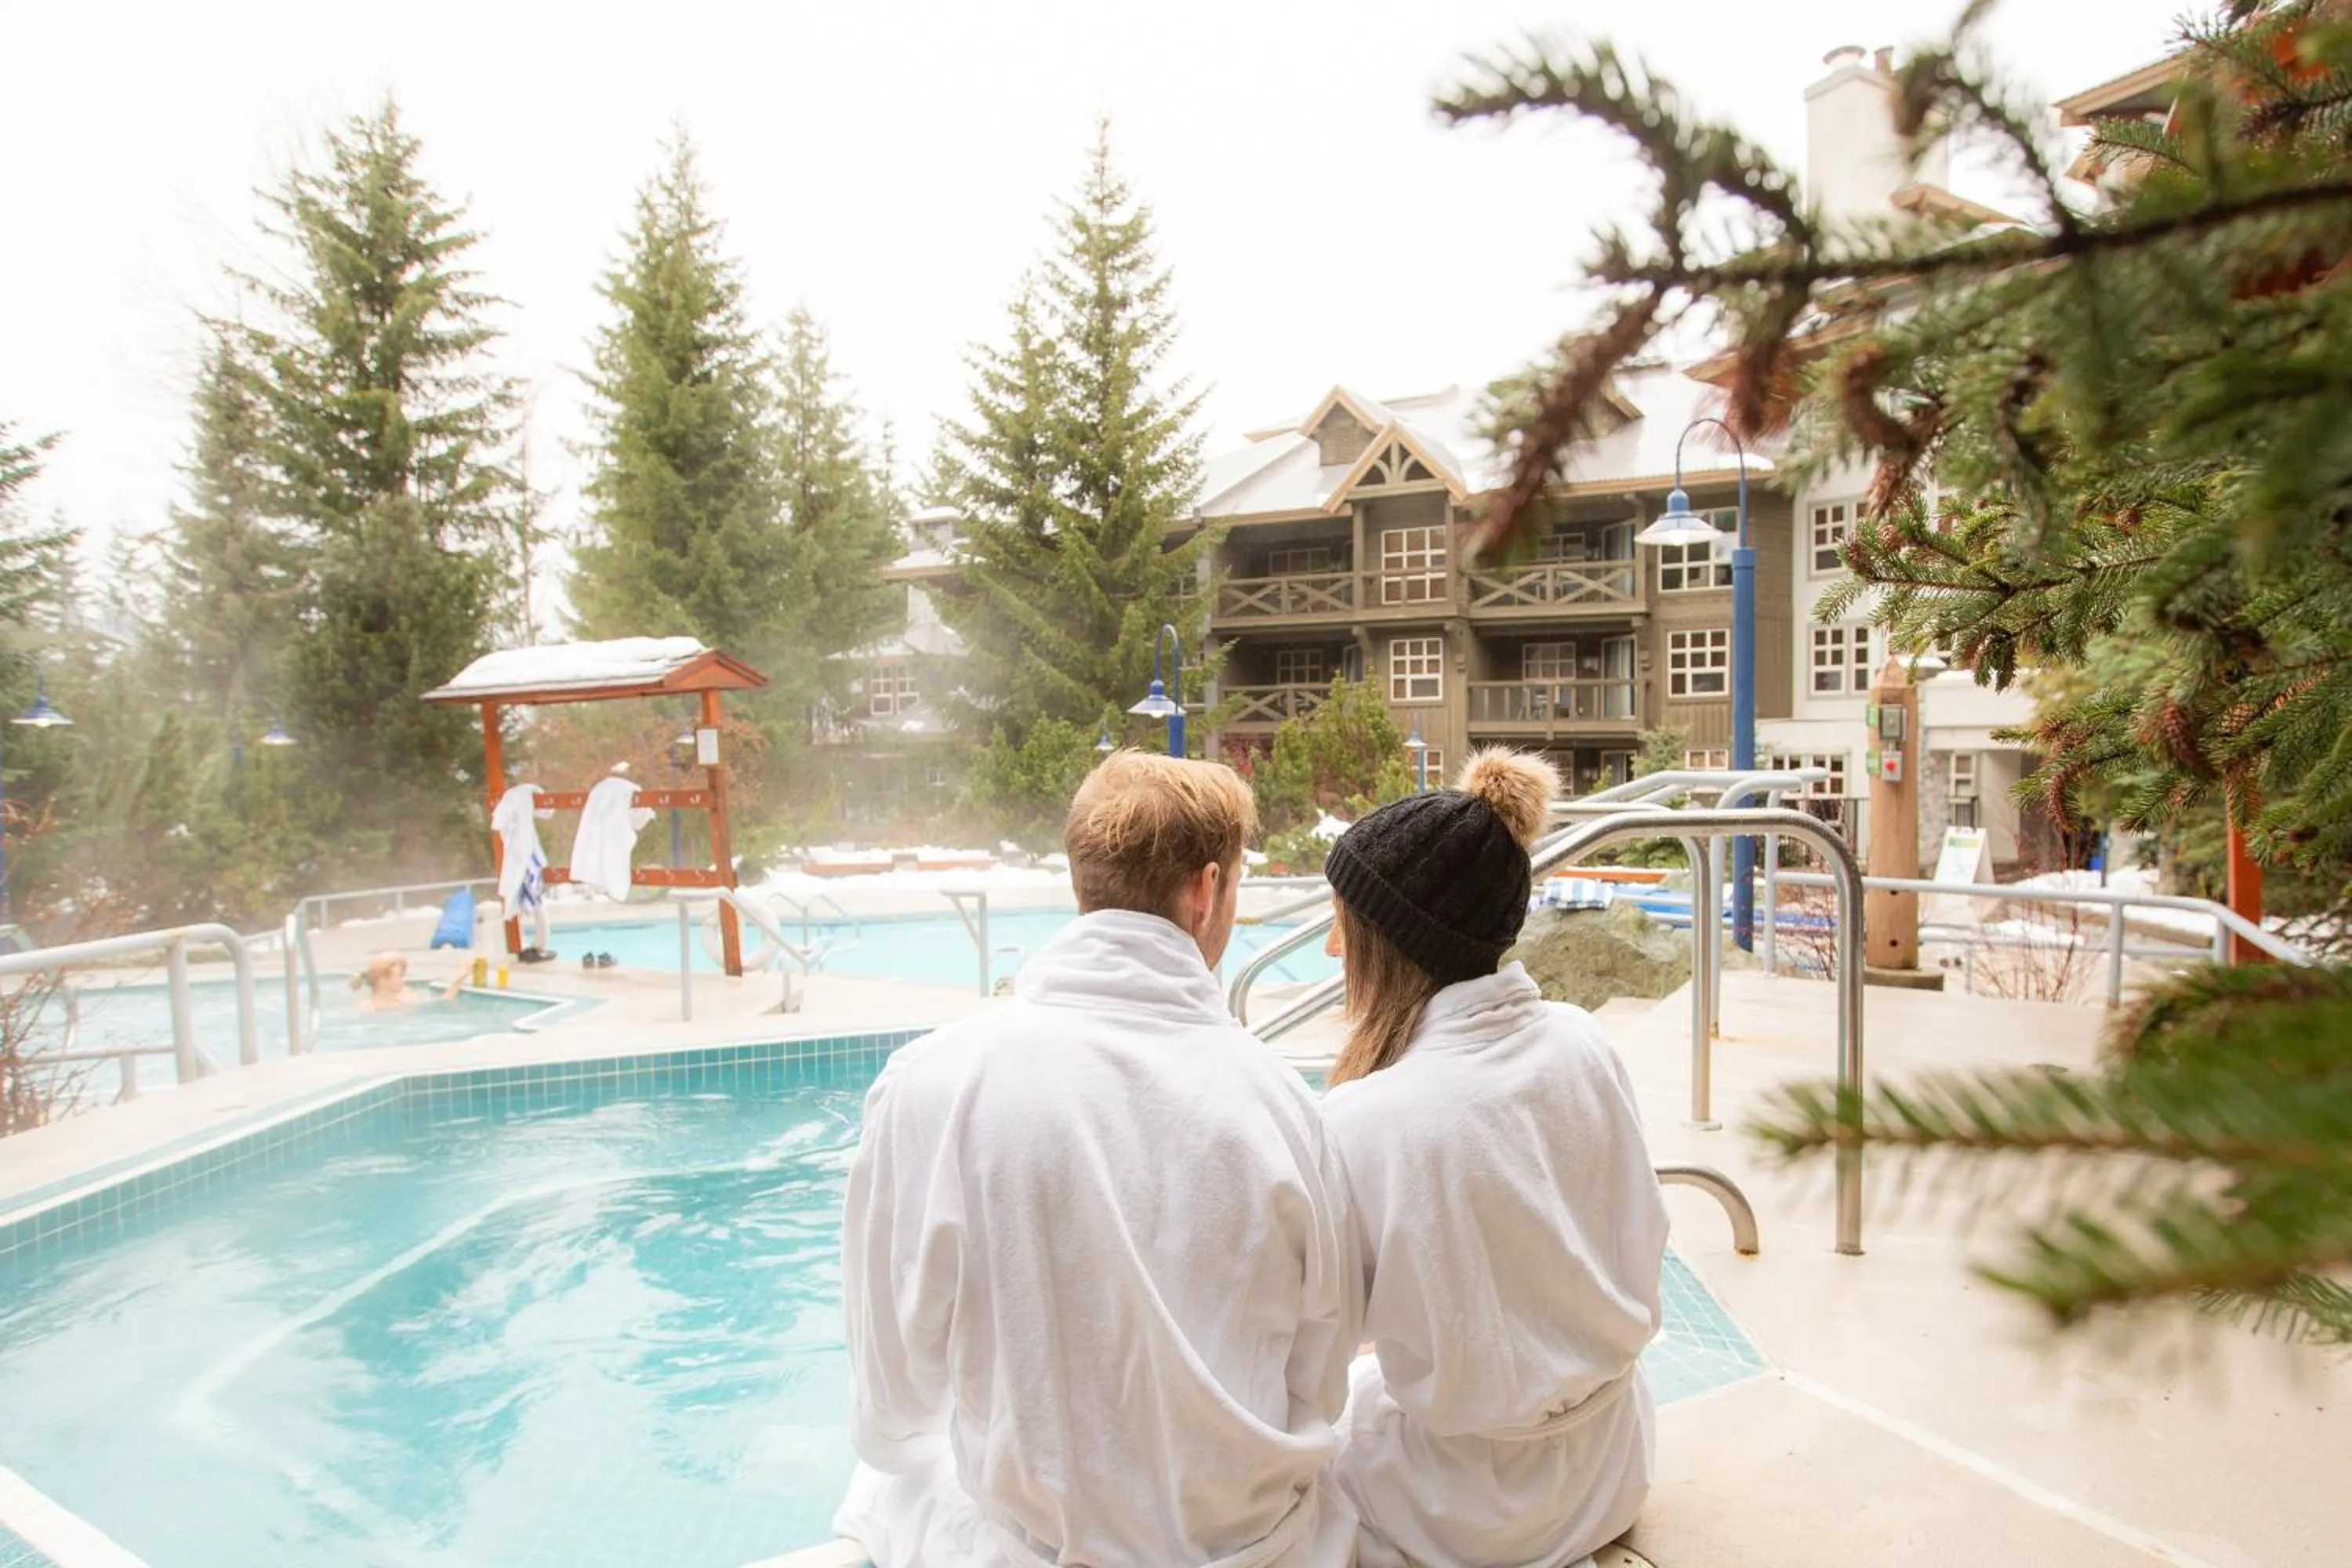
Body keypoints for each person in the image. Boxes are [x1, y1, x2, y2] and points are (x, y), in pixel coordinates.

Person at [836, 749, 1359, 1568]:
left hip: (1038, 1550)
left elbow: (896, 1403)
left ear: (1082, 880)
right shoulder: (1282, 1101)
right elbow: (1319, 1375)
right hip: (1255, 1547)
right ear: (1206, 890)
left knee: (882, 1481)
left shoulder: (936, 1082)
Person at [1320, 748, 1668, 1568]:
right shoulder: (1584, 1043)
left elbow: (1315, 1345)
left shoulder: (1367, 1117)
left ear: (1394, 944)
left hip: (1461, 1507)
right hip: (1614, 1464)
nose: (1334, 949)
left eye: (1346, 924)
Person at [348, 953, 464, 1011]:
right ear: (383, 980)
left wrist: (458, 980)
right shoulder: (366, 1009)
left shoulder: (406, 999)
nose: (403, 981)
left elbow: (443, 1001)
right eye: (399, 976)